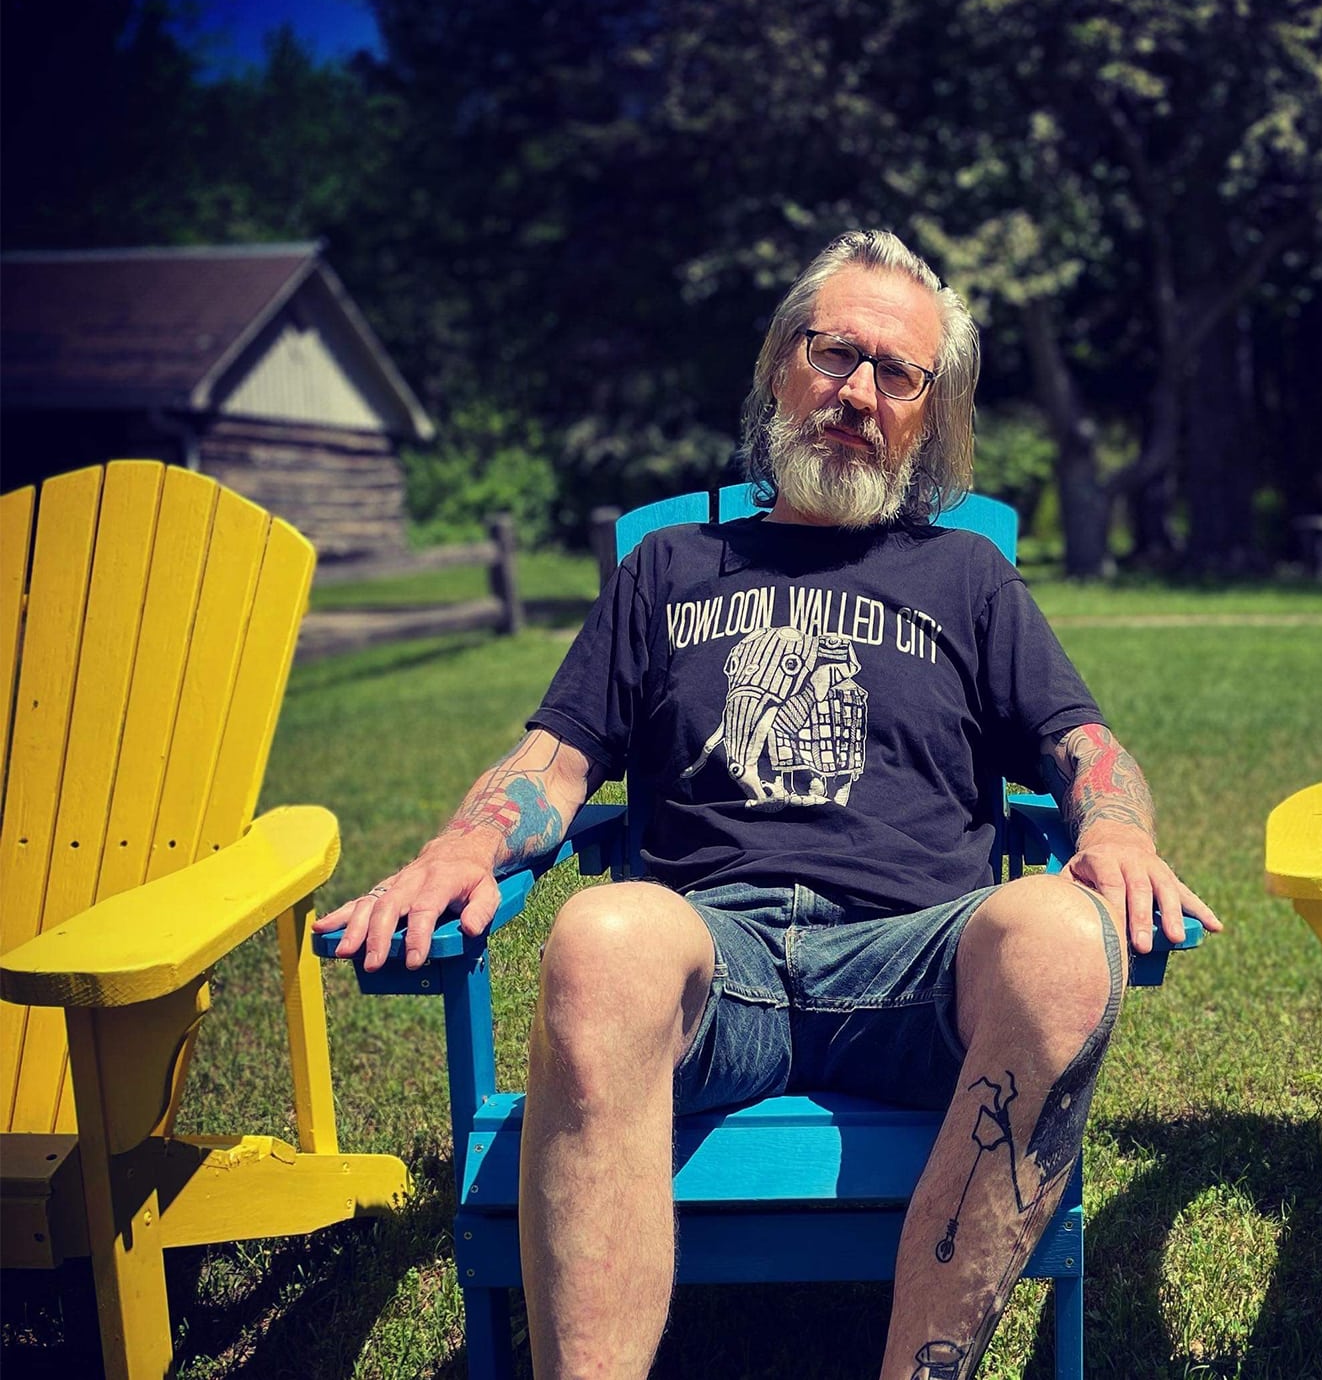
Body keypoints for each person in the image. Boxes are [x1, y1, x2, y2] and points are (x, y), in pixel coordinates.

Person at [316, 229, 1222, 1380]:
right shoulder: (670, 567)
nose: (857, 394)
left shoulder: (966, 576)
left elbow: (1082, 745)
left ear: (929, 416)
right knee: (601, 937)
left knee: (1056, 936)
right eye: (833, 352)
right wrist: (467, 840)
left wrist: (1115, 826)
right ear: (778, 368)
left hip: (916, 968)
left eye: (898, 374)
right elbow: (555, 759)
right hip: (716, 957)